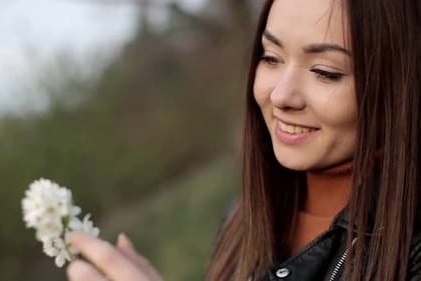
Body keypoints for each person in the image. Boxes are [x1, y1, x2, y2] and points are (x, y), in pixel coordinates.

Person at [66, 0, 421, 280]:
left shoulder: (410, 246)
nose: (281, 95)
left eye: (325, 72)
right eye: (271, 58)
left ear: (397, 85)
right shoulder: (240, 220)